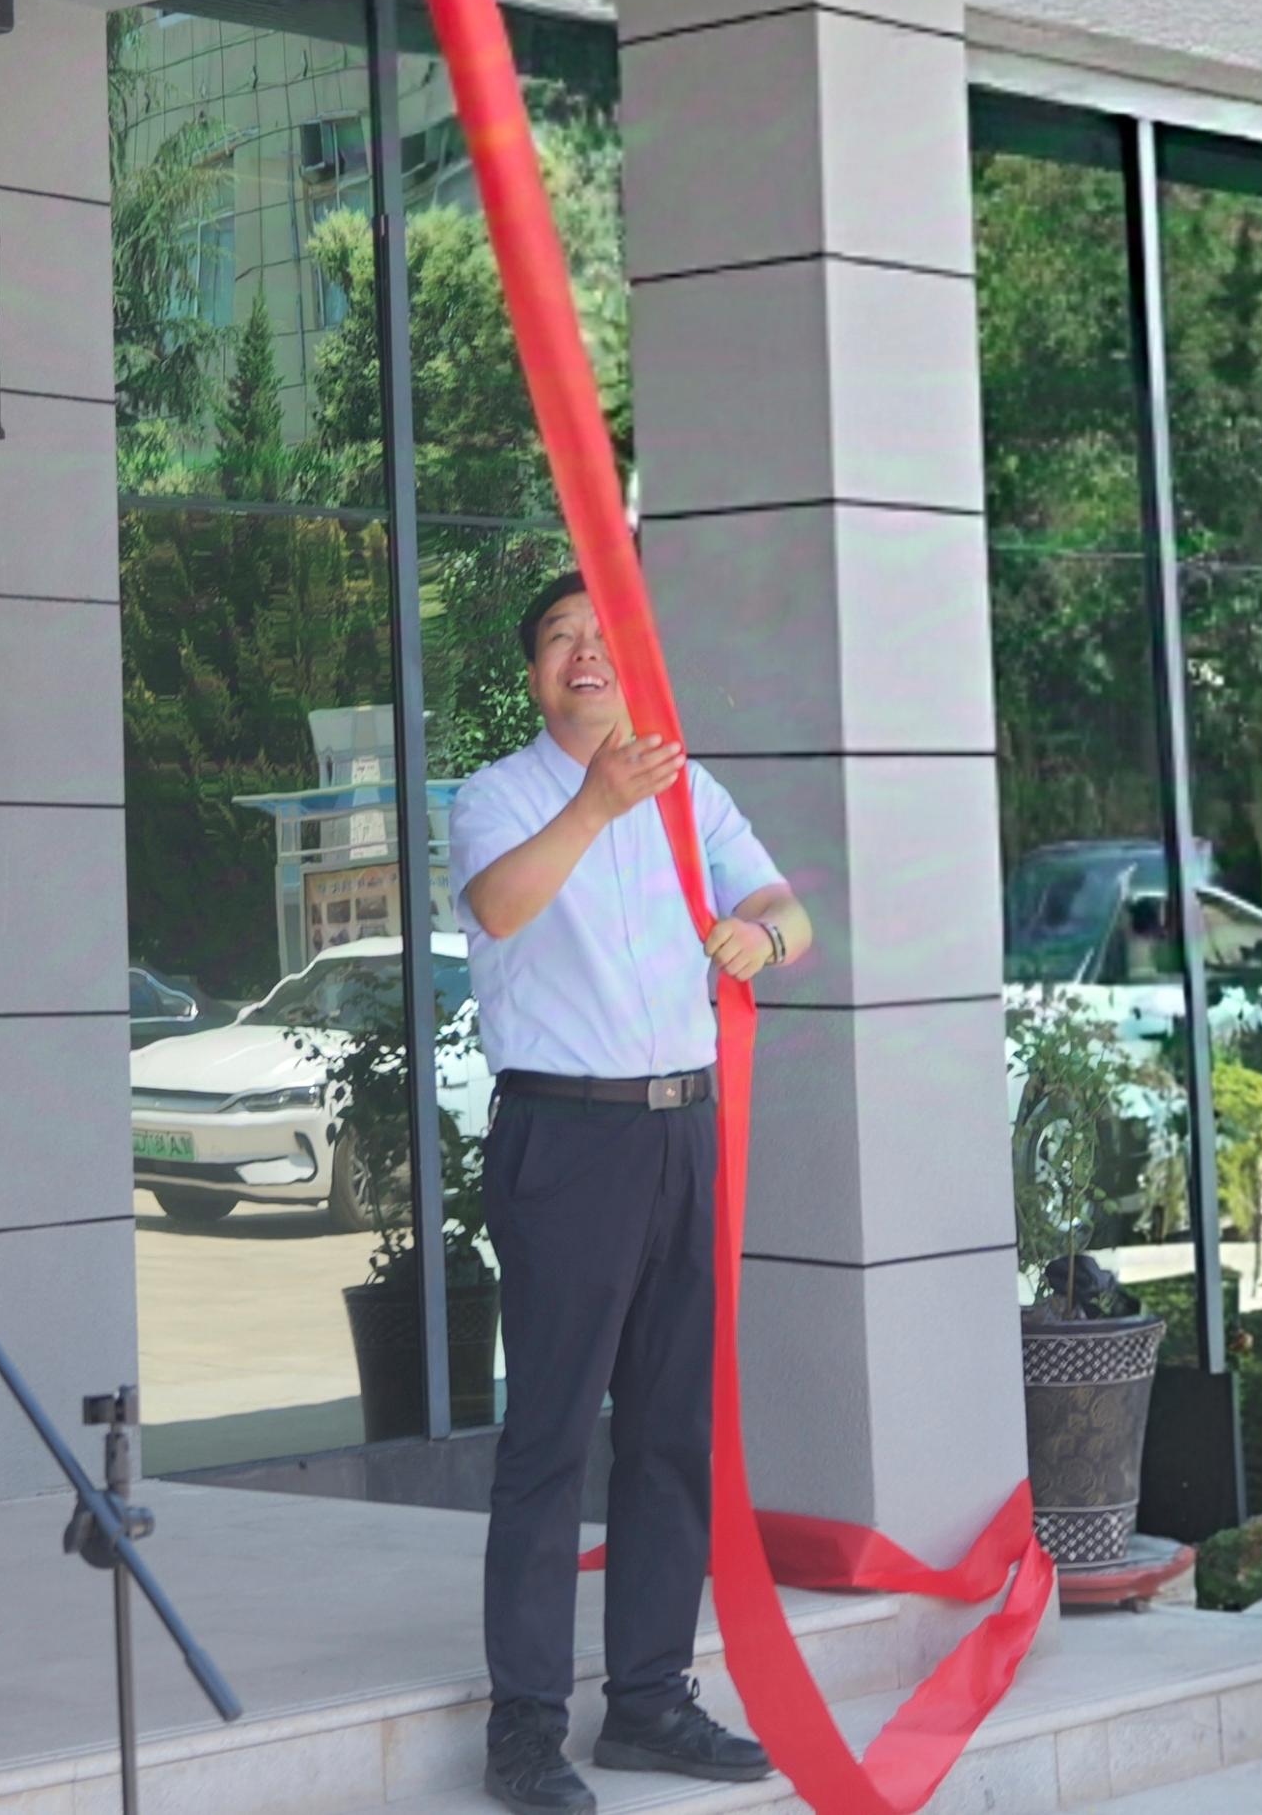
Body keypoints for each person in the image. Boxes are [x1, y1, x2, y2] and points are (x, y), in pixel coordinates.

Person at [451, 574, 812, 1810]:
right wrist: (598, 803)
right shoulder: (498, 795)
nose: (582, 653)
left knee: (668, 1431)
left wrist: (761, 938)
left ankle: (649, 1701)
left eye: (601, 636)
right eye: (558, 638)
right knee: (550, 1438)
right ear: (534, 674)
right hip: (566, 1137)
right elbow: (497, 908)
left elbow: (786, 909)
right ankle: (524, 1730)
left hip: (682, 1135)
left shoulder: (686, 789)